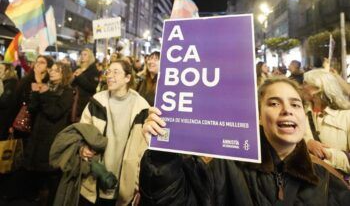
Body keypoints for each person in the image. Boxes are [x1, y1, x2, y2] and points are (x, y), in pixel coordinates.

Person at [140, 77, 350, 205]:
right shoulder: (222, 168)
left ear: (304, 116)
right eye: (274, 103)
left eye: (295, 105)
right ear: (258, 116)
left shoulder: (327, 180)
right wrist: (162, 153)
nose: (287, 110)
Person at [78, 59, 150, 206]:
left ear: (127, 78)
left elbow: (144, 149)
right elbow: (81, 132)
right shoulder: (96, 102)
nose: (110, 76)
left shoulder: (141, 107)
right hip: (94, 178)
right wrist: (82, 148)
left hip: (125, 183)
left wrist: (138, 183)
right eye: (108, 72)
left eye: (116, 72)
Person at [24, 62, 74, 205]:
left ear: (64, 74)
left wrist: (43, 92)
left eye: (56, 71)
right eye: (51, 70)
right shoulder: (46, 87)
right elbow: (33, 108)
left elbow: (54, 113)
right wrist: (35, 92)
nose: (52, 72)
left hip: (52, 137)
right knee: (36, 173)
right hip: (38, 135)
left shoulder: (67, 91)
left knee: (49, 174)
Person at [303, 68, 350, 175]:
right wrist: (307, 143)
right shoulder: (300, 113)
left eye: (305, 83)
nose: (302, 87)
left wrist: (327, 154)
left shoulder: (346, 116)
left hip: (336, 187)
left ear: (318, 87)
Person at [71, 48, 99, 121]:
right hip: (75, 99)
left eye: (85, 55)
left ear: (90, 57)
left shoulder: (94, 70)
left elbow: (92, 87)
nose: (82, 56)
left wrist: (80, 76)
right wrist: (72, 77)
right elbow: (72, 84)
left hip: (85, 101)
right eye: (82, 54)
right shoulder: (77, 67)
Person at [0, 61, 18, 140]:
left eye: (0, 68)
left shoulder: (10, 84)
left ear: (7, 71)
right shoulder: (6, 83)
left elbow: (4, 102)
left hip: (4, 122)